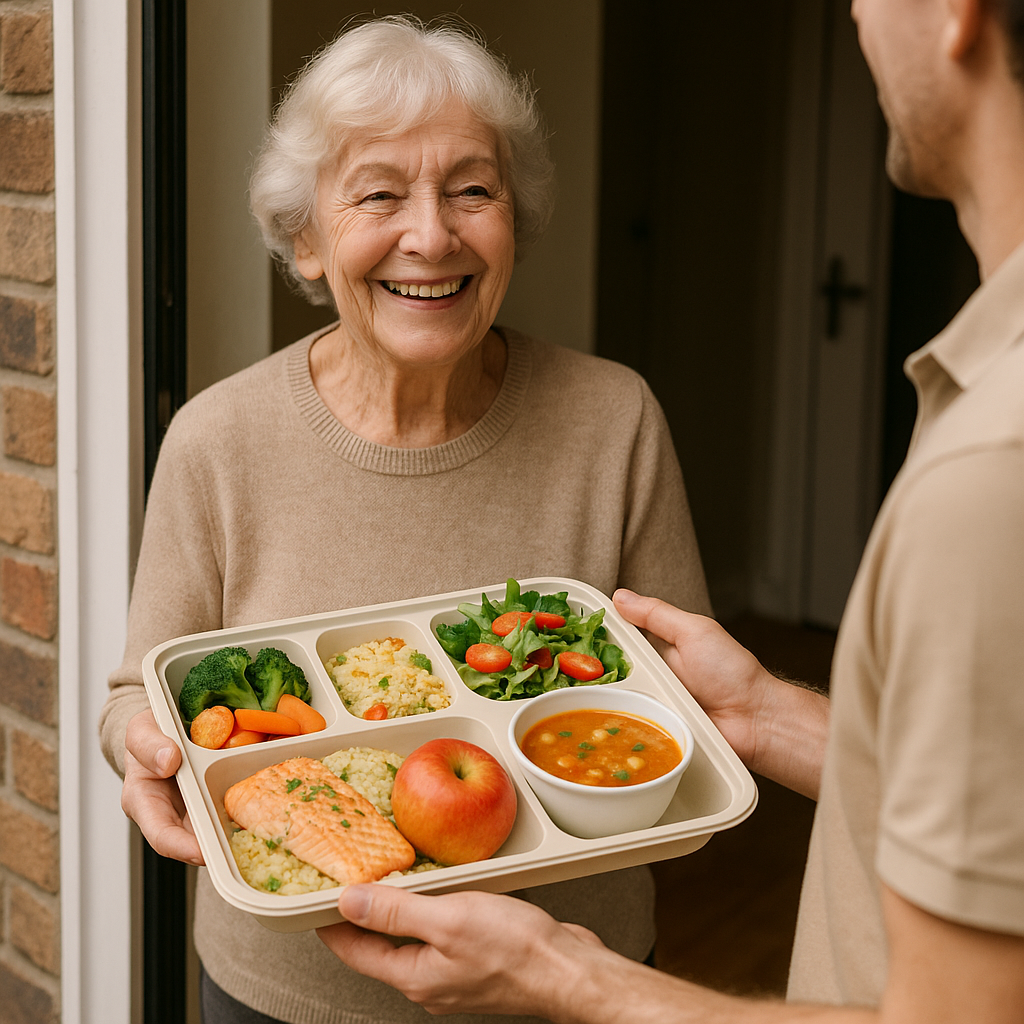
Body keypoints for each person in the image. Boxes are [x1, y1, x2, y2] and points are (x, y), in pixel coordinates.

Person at [316, 0, 1024, 1019]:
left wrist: (570, 977)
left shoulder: (990, 467)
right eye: (380, 193)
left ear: (957, 13)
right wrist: (767, 715)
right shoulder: (983, 418)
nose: (857, 14)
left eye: (471, 189)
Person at [100, 15, 711, 1024]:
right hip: (285, 990)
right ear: (306, 237)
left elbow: (687, 701)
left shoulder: (615, 419)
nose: (431, 236)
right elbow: (138, 691)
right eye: (378, 194)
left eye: (472, 190)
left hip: (570, 978)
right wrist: (142, 749)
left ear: (514, 219)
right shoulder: (217, 438)